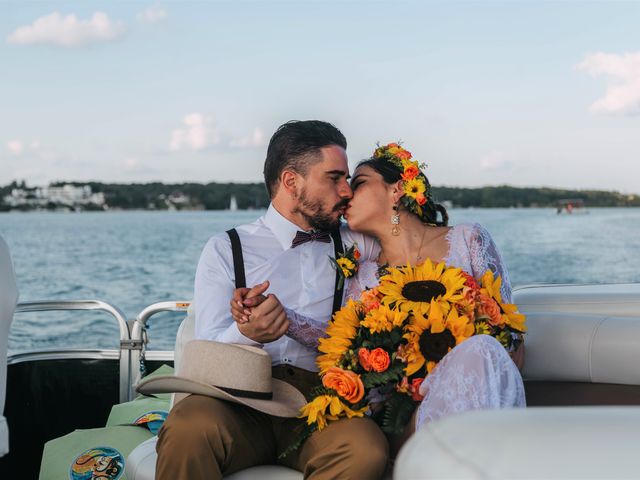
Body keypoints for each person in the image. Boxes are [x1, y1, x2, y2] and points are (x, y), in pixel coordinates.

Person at [233, 142, 525, 453]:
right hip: (405, 414)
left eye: (357, 183)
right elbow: (344, 343)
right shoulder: (364, 274)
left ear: (397, 190)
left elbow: (511, 337)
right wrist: (284, 318)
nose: (345, 193)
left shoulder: (469, 240)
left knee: (481, 348)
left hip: (486, 393)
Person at [155, 120, 389, 480]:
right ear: (291, 181)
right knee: (188, 428)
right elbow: (208, 345)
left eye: (347, 179)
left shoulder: (361, 244)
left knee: (365, 449)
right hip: (237, 402)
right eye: (334, 178)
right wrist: (249, 332)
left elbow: (412, 249)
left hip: (321, 404)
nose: (346, 191)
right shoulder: (225, 248)